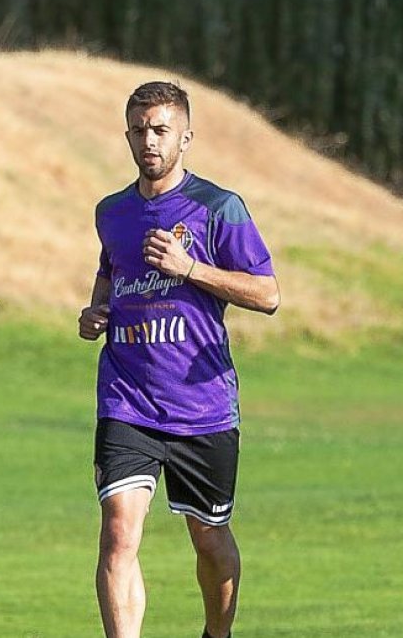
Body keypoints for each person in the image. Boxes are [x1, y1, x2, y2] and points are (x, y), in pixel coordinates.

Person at [79, 82, 279, 638]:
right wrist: (96, 312)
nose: (150, 141)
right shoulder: (112, 212)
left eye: (161, 130)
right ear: (126, 135)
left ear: (185, 138)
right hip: (127, 401)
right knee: (118, 533)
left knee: (210, 540)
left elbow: (267, 294)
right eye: (140, 130)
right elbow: (109, 274)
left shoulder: (219, 207)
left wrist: (190, 268)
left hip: (202, 408)